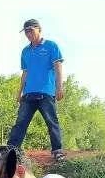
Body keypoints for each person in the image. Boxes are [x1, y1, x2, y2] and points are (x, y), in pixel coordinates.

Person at [7, 19, 65, 163]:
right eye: (26, 31)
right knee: (20, 122)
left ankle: (57, 151)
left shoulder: (51, 46)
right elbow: (25, 73)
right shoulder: (25, 51)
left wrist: (59, 87)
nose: (28, 34)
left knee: (52, 122)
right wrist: (19, 92)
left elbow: (58, 67)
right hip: (29, 93)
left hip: (46, 92)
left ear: (39, 29)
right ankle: (11, 150)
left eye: (31, 30)